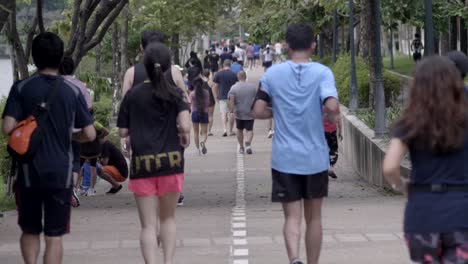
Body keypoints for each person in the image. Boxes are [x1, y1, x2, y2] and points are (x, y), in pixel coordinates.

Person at [2, 32, 95, 264]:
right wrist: (71, 136)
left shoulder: (21, 88)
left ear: (34, 56)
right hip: (61, 173)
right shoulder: (72, 91)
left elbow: (7, 127)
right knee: (55, 235)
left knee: (30, 230)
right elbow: (90, 133)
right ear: (60, 56)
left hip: (28, 172)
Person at [251, 24, 340, 264]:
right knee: (314, 218)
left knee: (291, 217)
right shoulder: (323, 73)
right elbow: (331, 106)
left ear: (287, 46)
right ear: (313, 45)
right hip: (315, 158)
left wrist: (278, 110)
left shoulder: (272, 75)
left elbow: (257, 110)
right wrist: (332, 116)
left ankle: (294, 259)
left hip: (285, 158)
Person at [383, 56, 468, 264]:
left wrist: (402, 186)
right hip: (461, 213)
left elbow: (390, 167)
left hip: (422, 214)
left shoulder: (410, 122)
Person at [118, 42, 190, 264]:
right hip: (171, 163)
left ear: (145, 66)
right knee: (168, 219)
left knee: (148, 225)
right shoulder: (176, 93)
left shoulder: (132, 96)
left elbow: (122, 130)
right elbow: (186, 127)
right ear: (168, 66)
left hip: (142, 165)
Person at [59, 56, 93, 207]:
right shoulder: (80, 85)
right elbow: (89, 107)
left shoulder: (53, 84)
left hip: (56, 131)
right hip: (76, 130)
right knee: (74, 161)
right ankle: (71, 189)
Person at [229, 71, 257, 154]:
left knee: (239, 129)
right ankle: (248, 142)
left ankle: (241, 147)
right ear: (245, 77)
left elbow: (232, 100)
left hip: (239, 112)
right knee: (249, 129)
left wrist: (231, 110)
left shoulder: (233, 88)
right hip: (250, 111)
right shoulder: (253, 87)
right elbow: (256, 99)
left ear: (238, 77)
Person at [78, 121, 109, 196]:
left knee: (77, 169)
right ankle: (91, 189)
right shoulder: (95, 123)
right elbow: (106, 132)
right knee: (93, 168)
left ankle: (74, 189)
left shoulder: (79, 122)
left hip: (83, 150)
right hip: (94, 150)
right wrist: (98, 137)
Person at [213, 59, 238, 137]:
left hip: (222, 96)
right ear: (230, 65)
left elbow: (215, 87)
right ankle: (230, 130)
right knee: (232, 113)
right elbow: (237, 86)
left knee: (223, 114)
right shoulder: (234, 74)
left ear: (223, 65)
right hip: (232, 97)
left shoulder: (218, 74)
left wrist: (215, 96)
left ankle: (224, 129)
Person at [190, 77, 210, 155]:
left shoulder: (192, 93)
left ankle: (197, 150)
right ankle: (203, 142)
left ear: (194, 84)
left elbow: (189, 103)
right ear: (202, 84)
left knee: (196, 132)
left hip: (195, 113)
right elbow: (208, 103)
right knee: (204, 132)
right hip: (204, 113)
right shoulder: (206, 92)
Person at [323, 107, 342, 179]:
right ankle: (330, 168)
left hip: (321, 131)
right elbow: (338, 118)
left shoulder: (318, 102)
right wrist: (340, 130)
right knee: (333, 150)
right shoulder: (333, 103)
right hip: (331, 131)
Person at [202, 69, 216, 136]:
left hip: (202, 101)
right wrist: (216, 100)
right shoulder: (211, 82)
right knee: (210, 116)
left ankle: (202, 130)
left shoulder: (200, 82)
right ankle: (209, 131)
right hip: (210, 101)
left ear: (203, 74)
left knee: (203, 115)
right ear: (209, 74)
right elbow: (213, 93)